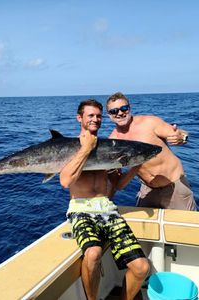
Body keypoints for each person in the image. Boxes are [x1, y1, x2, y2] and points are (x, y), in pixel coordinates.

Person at [60, 99, 149, 300]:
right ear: (79, 118)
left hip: (108, 210)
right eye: (90, 115)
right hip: (80, 210)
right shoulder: (72, 148)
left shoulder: (109, 148)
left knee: (141, 267)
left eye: (99, 116)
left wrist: (136, 166)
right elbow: (65, 181)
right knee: (93, 253)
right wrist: (85, 148)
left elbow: (117, 184)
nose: (95, 119)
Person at [106, 92, 196, 211]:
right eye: (114, 111)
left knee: (185, 228)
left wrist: (182, 138)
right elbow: (119, 185)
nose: (120, 113)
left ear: (129, 108)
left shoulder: (150, 122)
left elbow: (180, 133)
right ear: (109, 115)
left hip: (174, 187)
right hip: (147, 190)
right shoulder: (112, 141)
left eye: (124, 108)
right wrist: (136, 166)